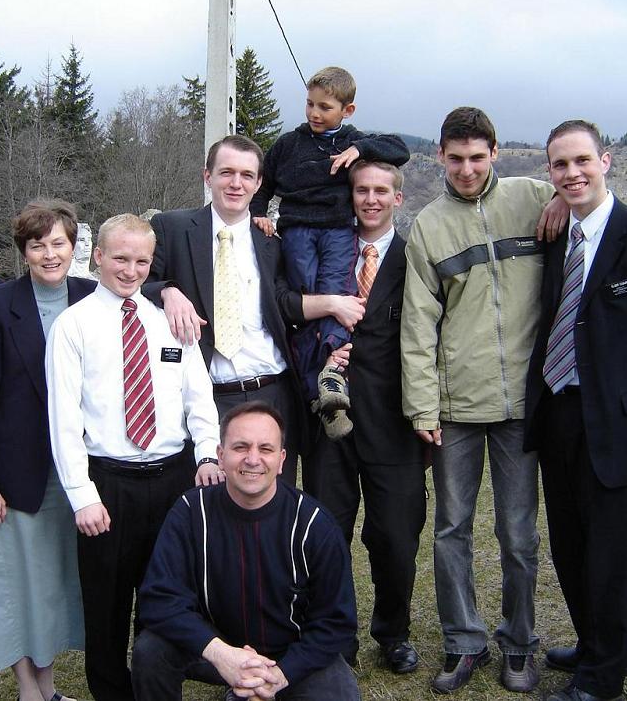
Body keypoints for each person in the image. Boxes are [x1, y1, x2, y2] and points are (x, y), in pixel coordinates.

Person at [401, 107, 568, 694]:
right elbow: (418, 327)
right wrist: (423, 407)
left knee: (519, 534)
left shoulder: (532, 197)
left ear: (495, 152)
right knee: (452, 530)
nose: (467, 169)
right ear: (440, 158)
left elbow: (591, 198)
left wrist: (560, 204)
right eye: (455, 158)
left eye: (477, 157)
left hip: (523, 404)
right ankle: (461, 642)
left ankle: (519, 645)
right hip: (456, 408)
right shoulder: (429, 226)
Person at [524, 120, 627, 701]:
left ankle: (605, 678)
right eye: (559, 166)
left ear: (607, 161)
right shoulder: (556, 239)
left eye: (581, 162)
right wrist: (553, 203)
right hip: (559, 415)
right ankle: (596, 646)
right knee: (570, 544)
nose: (572, 174)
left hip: (619, 426)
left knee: (613, 554)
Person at [46, 213, 221, 701]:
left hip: (172, 480)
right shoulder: (73, 326)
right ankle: (110, 691)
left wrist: (207, 453)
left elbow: (198, 397)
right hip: (108, 483)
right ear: (98, 256)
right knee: (106, 603)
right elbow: (63, 421)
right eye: (120, 258)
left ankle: (155, 687)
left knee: (163, 596)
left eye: (142, 260)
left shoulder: (168, 321)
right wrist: (82, 496)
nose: (131, 270)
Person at [146, 134, 366, 482]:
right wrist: (168, 291)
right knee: (214, 510)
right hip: (209, 398)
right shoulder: (172, 229)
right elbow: (135, 284)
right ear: (208, 176)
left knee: (274, 507)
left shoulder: (272, 241)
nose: (236, 183)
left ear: (259, 182)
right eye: (226, 173)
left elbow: (285, 303)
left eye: (247, 175)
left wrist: (332, 306)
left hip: (274, 392)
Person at [132, 401, 360, 701]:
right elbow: (158, 599)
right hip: (215, 646)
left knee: (341, 695)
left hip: (290, 652)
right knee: (150, 651)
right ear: (220, 456)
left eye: (265, 449)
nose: (253, 459)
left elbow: (336, 623)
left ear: (281, 460)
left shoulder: (315, 524)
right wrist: (223, 655)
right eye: (240, 447)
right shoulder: (190, 512)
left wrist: (279, 675)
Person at [0, 199, 94, 701]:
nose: (49, 254)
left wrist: (170, 292)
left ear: (74, 246)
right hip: (16, 477)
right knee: (15, 585)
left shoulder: (91, 295)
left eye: (58, 242)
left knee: (56, 583)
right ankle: (28, 688)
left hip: (76, 475)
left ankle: (49, 683)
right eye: (37, 245)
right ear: (24, 253)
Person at [303, 160, 425, 674]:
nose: (370, 199)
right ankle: (336, 636)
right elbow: (290, 303)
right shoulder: (329, 249)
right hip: (329, 420)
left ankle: (392, 632)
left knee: (395, 537)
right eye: (361, 190)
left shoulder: (416, 253)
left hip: (395, 421)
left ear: (398, 197)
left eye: (381, 190)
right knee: (328, 533)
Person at [249, 66, 409, 434]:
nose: (314, 114)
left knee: (338, 291)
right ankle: (316, 390)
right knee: (309, 300)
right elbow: (265, 182)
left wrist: (359, 149)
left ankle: (332, 372)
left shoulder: (353, 141)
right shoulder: (289, 144)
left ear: (347, 110)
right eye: (309, 104)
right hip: (297, 231)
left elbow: (398, 149)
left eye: (324, 107)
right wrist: (258, 215)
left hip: (338, 231)